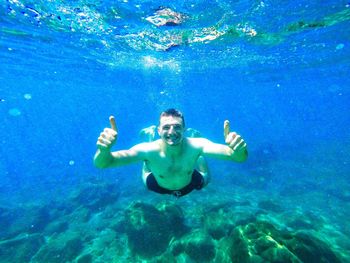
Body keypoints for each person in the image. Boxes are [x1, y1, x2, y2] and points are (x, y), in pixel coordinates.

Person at [94, 108, 247, 197]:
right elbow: (104, 163)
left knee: (206, 179)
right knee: (146, 168)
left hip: (189, 184)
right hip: (157, 185)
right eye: (166, 127)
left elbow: (236, 157)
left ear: (184, 129)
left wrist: (238, 149)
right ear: (158, 130)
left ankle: (198, 157)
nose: (172, 132)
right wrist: (103, 150)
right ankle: (149, 142)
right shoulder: (147, 149)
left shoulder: (198, 144)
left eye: (177, 127)